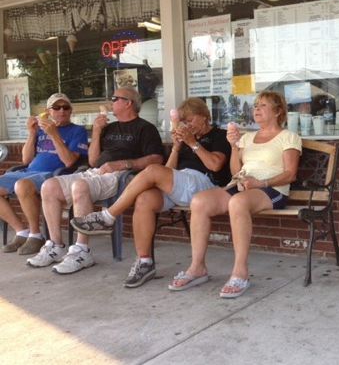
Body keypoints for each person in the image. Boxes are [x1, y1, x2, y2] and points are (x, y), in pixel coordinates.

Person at [69, 97, 232, 288]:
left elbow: (215, 165)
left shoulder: (219, 135)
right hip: (180, 182)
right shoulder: (186, 140)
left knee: (153, 170)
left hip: (204, 185)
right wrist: (178, 148)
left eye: (191, 120)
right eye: (184, 121)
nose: (188, 125)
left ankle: (108, 216)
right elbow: (169, 170)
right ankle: (144, 262)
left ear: (204, 116)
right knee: (144, 199)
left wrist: (193, 143)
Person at [169, 90, 301, 298]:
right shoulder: (247, 137)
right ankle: (197, 267)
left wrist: (262, 182)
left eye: (263, 105)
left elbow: (290, 174)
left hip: (272, 189)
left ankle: (240, 271)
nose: (256, 109)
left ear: (278, 111)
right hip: (242, 184)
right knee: (200, 201)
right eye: (255, 106)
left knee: (238, 203)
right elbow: (233, 171)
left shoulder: (288, 137)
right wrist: (233, 146)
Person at [27, 87, 164, 274]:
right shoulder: (109, 127)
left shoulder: (145, 128)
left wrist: (124, 164)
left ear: (128, 103)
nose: (110, 102)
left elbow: (156, 159)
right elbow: (92, 160)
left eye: (114, 98)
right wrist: (97, 131)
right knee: (49, 186)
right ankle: (55, 245)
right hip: (96, 171)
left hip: (122, 175)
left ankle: (81, 252)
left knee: (80, 186)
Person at [0, 93, 88, 255]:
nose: (62, 111)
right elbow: (26, 159)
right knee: (17, 183)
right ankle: (22, 232)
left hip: (54, 176)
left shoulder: (77, 131)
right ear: (48, 111)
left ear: (71, 110)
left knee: (23, 185)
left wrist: (54, 134)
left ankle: (36, 235)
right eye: (57, 107)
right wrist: (32, 133)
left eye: (66, 107)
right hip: (29, 172)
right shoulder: (40, 130)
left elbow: (69, 162)